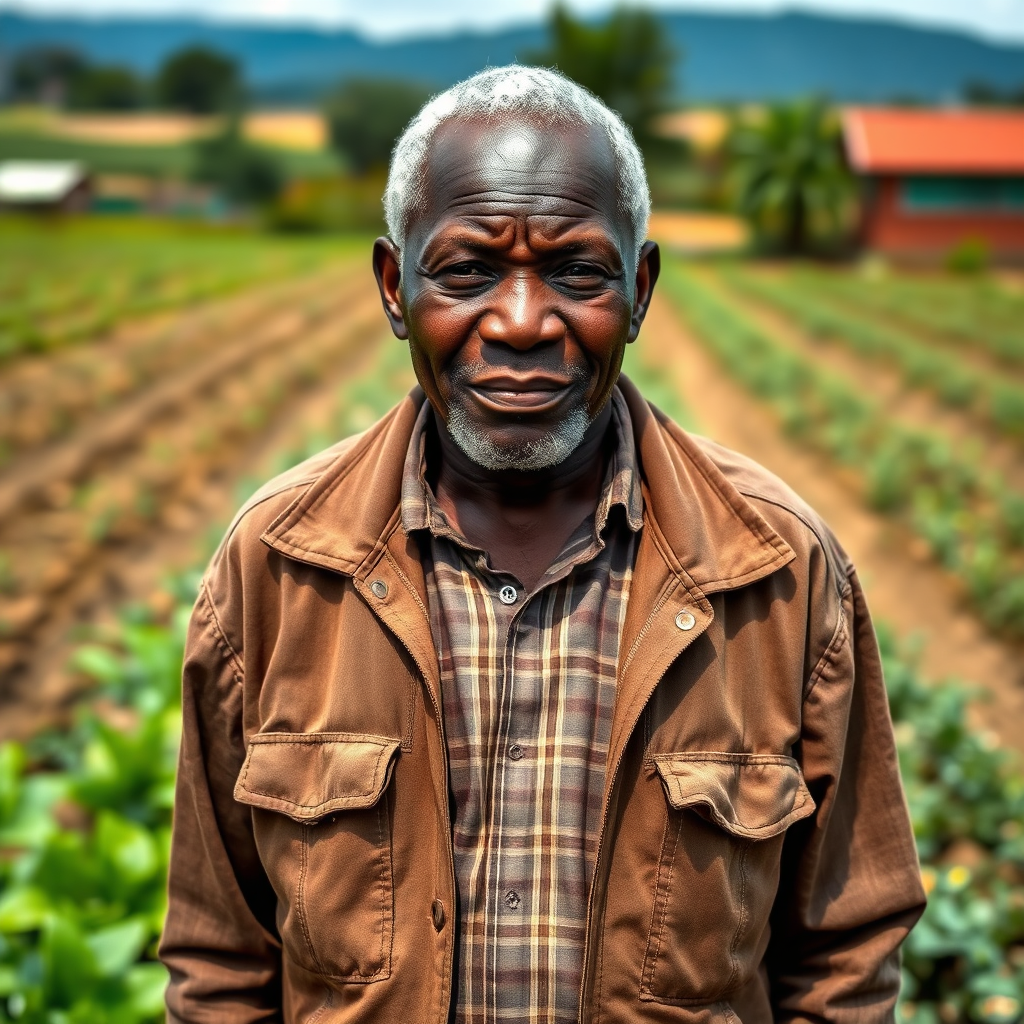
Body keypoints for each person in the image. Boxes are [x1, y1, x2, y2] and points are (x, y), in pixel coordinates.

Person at [160, 65, 925, 1024]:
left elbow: (844, 961)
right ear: (396, 288)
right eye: (468, 270)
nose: (522, 323)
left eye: (577, 272)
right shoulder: (274, 567)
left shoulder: (781, 572)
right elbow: (221, 962)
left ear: (639, 290)